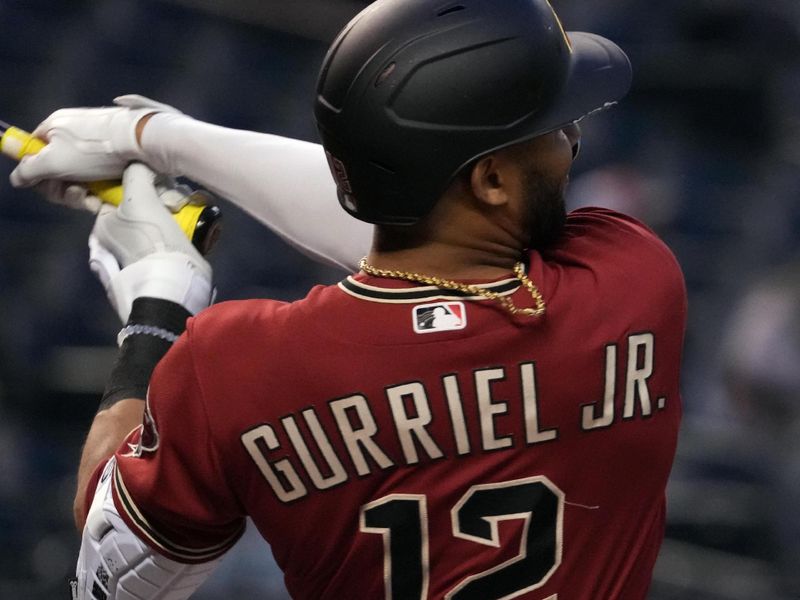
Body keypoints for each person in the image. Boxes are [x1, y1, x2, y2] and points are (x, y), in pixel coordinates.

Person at [12, 0, 687, 598]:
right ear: (490, 180)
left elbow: (115, 574)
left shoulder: (238, 366)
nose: (571, 140)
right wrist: (162, 140)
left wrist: (156, 305)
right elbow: (441, 240)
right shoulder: (629, 285)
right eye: (552, 127)